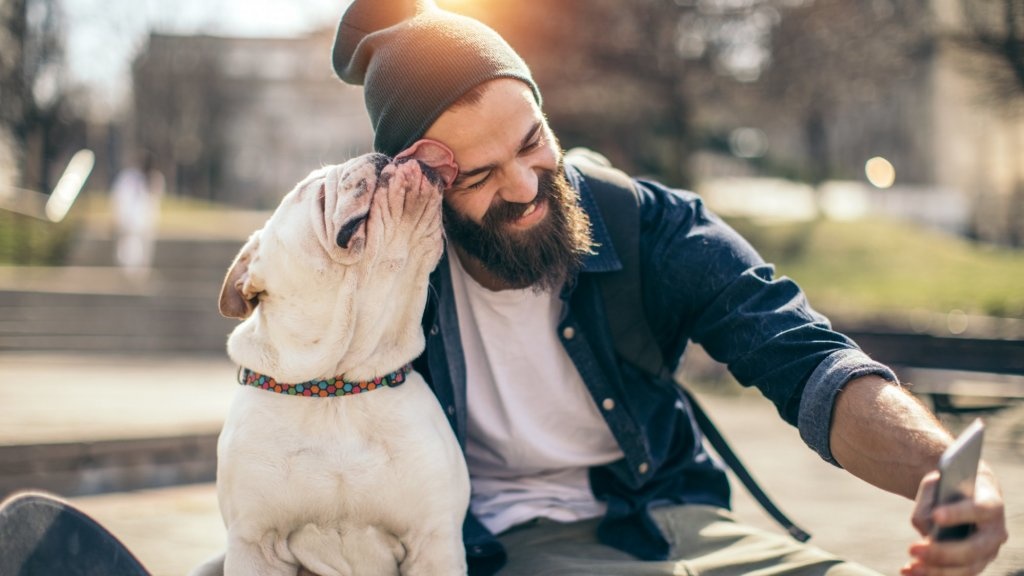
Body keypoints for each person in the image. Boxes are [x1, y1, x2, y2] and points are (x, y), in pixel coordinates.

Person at [329, 1, 1007, 575]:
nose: (526, 186)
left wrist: (943, 472)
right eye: (479, 177)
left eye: (534, 142)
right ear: (418, 184)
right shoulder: (380, 275)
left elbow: (804, 359)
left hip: (668, 520)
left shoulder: (644, 222)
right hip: (492, 545)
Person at [111, 150, 164, 279]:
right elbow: (120, 198)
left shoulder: (155, 178)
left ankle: (140, 276)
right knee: (128, 252)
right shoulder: (128, 178)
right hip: (129, 221)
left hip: (146, 222)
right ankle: (128, 276)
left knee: (143, 253)